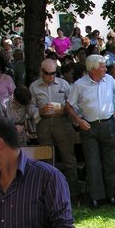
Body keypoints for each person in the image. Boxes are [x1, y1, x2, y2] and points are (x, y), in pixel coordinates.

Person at [65, 54, 115, 207]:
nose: (105, 69)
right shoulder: (80, 85)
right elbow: (69, 105)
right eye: (102, 66)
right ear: (92, 69)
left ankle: (112, 195)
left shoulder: (109, 80)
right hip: (89, 126)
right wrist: (79, 121)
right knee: (93, 163)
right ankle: (96, 197)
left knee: (111, 161)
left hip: (108, 123)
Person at [29, 58, 80, 200]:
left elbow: (74, 104)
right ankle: (49, 195)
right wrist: (40, 111)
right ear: (41, 72)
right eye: (48, 73)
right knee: (47, 160)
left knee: (68, 158)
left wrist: (64, 110)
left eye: (53, 73)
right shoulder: (34, 86)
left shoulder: (64, 84)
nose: (51, 76)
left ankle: (73, 194)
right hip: (44, 123)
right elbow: (30, 108)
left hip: (62, 122)